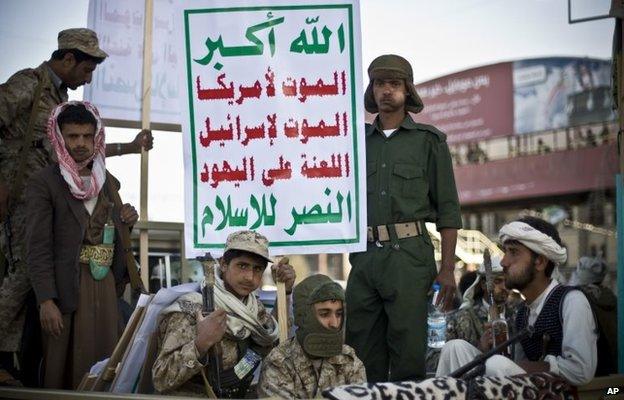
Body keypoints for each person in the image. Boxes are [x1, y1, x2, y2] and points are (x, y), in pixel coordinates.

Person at [0, 28, 153, 385]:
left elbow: (80, 148)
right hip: (25, 197)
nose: (89, 78)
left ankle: (15, 362)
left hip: (64, 198)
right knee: (26, 273)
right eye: (87, 69)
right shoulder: (30, 84)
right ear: (69, 59)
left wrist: (129, 148)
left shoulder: (60, 101)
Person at [346, 54, 462, 382]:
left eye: (394, 84)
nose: (386, 91)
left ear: (407, 91)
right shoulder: (354, 144)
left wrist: (448, 268)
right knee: (361, 354)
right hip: (364, 259)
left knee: (409, 356)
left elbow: (449, 210)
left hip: (409, 258)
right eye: (380, 83)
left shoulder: (429, 142)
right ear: (372, 90)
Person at [24, 102, 139, 389]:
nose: (81, 144)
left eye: (87, 136)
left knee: (104, 367)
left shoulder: (108, 182)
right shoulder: (45, 182)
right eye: (73, 137)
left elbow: (108, 233)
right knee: (64, 370)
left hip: (105, 288)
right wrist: (46, 300)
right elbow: (37, 246)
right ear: (59, 138)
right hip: (64, 291)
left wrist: (128, 222)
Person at [436, 216, 598, 386]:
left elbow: (581, 371)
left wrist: (505, 364)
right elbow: (517, 367)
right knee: (454, 348)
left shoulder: (571, 301)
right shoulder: (523, 312)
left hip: (558, 394)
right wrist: (486, 350)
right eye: (505, 252)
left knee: (495, 364)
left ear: (540, 262)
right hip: (524, 391)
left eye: (513, 252)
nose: (504, 261)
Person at [151, 230, 296, 398]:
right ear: (224, 264)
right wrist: (200, 344)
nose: (249, 277)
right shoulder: (193, 309)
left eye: (257, 269)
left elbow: (273, 342)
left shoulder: (252, 308)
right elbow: (160, 378)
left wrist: (285, 292)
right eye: (242, 266)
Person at [258, 274, 366, 398]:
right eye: (325, 314)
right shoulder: (279, 362)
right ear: (303, 316)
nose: (335, 323)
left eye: (339, 314)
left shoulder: (348, 358)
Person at [445, 257, 514, 346]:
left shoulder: (517, 315)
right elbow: (440, 356)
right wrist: (479, 348)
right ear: (483, 285)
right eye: (498, 281)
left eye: (507, 281)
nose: (504, 287)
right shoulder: (461, 318)